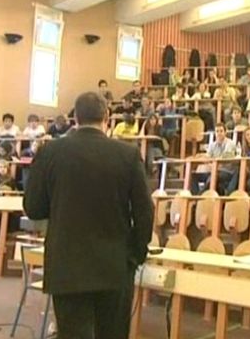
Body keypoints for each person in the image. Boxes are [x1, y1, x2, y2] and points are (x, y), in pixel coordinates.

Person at [23, 92, 153, 338]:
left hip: (67, 264)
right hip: (114, 265)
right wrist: (135, 255)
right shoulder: (127, 154)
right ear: (107, 118)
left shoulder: (50, 152)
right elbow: (144, 213)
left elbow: (34, 208)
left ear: (75, 119)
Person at [190, 124, 238, 196]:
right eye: (217, 131)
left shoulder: (230, 143)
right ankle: (195, 196)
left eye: (221, 131)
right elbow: (207, 157)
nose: (219, 133)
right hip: (213, 171)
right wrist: (203, 158)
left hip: (227, 172)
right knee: (192, 176)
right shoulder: (212, 145)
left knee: (213, 176)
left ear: (225, 132)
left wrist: (211, 162)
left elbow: (224, 158)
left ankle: (200, 196)